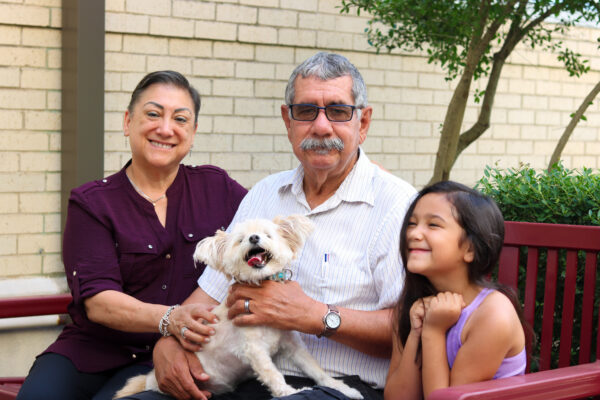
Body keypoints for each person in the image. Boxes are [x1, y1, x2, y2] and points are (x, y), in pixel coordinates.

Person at [120, 52, 416, 400]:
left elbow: (408, 327)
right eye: (306, 111)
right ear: (287, 121)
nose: (321, 126)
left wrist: (316, 316)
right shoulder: (264, 194)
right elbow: (211, 295)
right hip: (250, 381)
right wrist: (168, 342)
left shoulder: (397, 205)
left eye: (338, 111)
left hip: (342, 386)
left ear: (362, 123)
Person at [16, 71, 247, 400]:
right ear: (128, 122)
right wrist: (170, 318)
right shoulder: (92, 202)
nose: (165, 129)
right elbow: (98, 302)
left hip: (173, 354)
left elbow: (263, 239)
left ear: (193, 133)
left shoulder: (218, 189)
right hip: (92, 351)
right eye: (153, 114)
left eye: (180, 119)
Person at [384, 181, 528, 400]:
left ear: (470, 248)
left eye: (433, 225)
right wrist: (416, 333)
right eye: (412, 223)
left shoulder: (493, 315)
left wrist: (433, 332)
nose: (413, 233)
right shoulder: (413, 303)